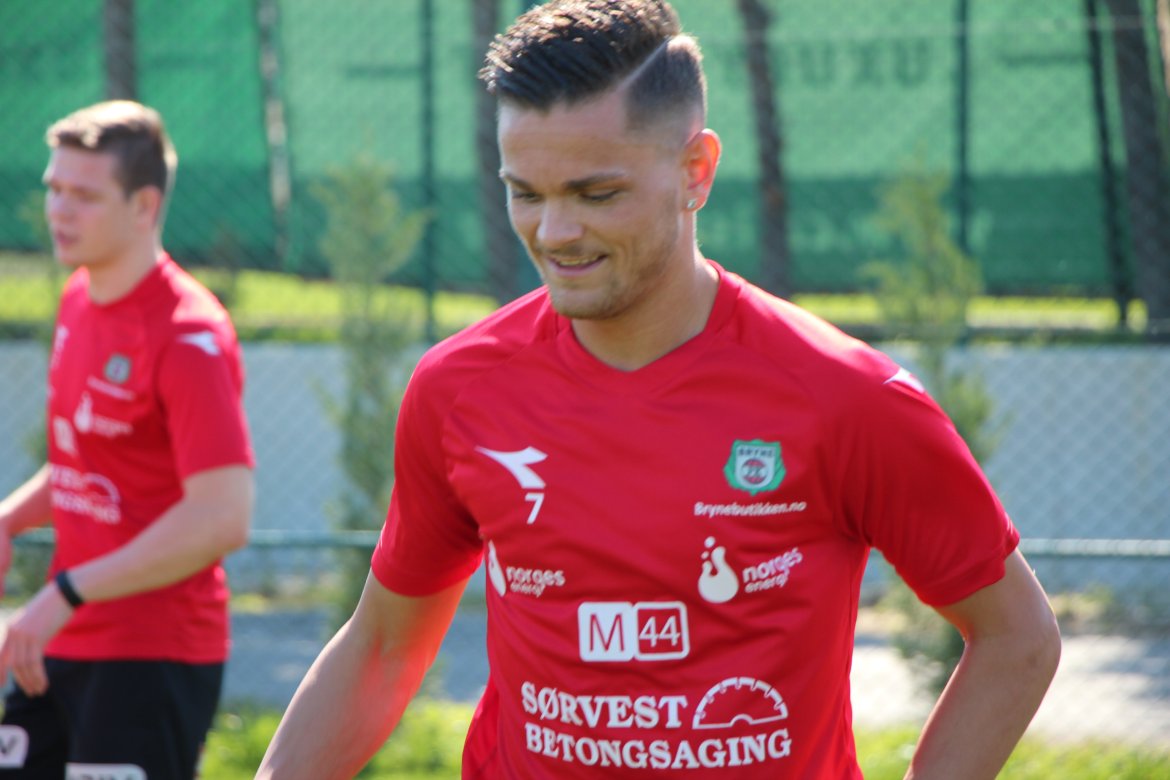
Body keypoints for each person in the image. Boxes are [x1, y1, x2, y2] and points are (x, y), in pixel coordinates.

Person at [257, 1, 1060, 777]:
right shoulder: (459, 390)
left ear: (695, 171)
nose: (555, 232)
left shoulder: (845, 397)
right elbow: (384, 646)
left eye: (596, 194)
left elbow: (1016, 639)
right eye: (525, 192)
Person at [0, 100, 254, 779]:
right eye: (54, 188)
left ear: (144, 205)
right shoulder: (78, 298)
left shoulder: (188, 335)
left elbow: (222, 516)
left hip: (150, 656)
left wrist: (64, 592)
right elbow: (87, 462)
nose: (59, 210)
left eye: (84, 196)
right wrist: (10, 519)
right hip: (60, 641)